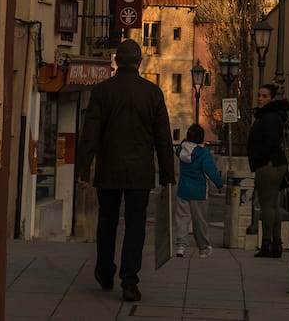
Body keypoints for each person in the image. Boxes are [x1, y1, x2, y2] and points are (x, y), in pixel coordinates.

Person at [76, 38, 175, 303]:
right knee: (135, 227)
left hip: (108, 170)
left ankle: (105, 271)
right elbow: (163, 138)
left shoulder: (102, 91)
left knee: (107, 222)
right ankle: (129, 281)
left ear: (116, 61)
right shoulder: (152, 93)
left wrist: (83, 170)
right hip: (140, 173)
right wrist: (167, 175)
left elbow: (90, 134)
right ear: (140, 62)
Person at [246, 82, 289, 257]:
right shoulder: (271, 116)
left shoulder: (269, 117)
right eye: (259, 95)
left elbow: (270, 143)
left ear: (271, 99)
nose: (259, 99)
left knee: (266, 206)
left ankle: (267, 244)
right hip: (274, 164)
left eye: (264, 96)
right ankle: (276, 244)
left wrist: (258, 157)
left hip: (268, 165)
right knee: (273, 205)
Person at [174, 122, 223, 257]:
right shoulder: (203, 153)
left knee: (182, 219)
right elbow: (211, 171)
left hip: (183, 190)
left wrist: (184, 141)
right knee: (199, 220)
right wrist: (219, 184)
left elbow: (180, 146)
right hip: (199, 191)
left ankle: (181, 246)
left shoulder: (181, 150)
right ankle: (203, 248)